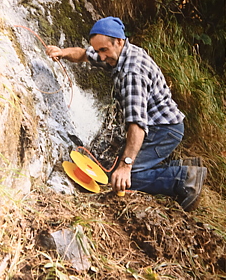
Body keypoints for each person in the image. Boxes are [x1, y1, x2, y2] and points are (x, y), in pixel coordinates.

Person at [46, 17, 205, 211]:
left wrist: (126, 166)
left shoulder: (132, 74)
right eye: (98, 51)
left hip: (163, 129)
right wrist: (61, 52)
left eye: (103, 50)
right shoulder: (120, 54)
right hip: (160, 125)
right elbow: (82, 54)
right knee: (121, 170)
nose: (101, 57)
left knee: (125, 178)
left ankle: (184, 178)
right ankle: (181, 165)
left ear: (119, 41)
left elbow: (137, 125)